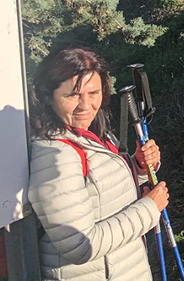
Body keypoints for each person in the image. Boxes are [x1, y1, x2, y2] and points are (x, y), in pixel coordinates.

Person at [28, 46, 167, 281]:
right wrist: (149, 208)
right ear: (47, 97)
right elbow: (80, 246)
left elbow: (104, 197)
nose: (85, 105)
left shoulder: (89, 135)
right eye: (72, 95)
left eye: (94, 93)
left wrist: (139, 168)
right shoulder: (53, 155)